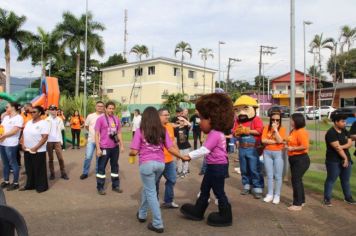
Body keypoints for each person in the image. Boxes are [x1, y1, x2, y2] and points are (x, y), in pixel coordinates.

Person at [180, 93, 234, 227]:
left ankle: (226, 215)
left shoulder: (215, 134)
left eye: (201, 119)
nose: (199, 122)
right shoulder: (216, 132)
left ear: (210, 118)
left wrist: (189, 156)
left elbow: (205, 149)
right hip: (213, 166)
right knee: (204, 188)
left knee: (218, 191)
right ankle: (198, 210)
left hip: (217, 167)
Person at [130, 106, 184, 233]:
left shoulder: (140, 131)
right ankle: (142, 214)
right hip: (160, 164)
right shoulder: (162, 130)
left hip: (147, 165)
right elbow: (170, 149)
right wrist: (182, 157)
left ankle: (158, 223)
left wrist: (131, 154)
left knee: (151, 193)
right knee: (148, 189)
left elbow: (134, 151)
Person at [232, 95, 264, 199]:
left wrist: (247, 130)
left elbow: (259, 131)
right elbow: (234, 132)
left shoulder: (256, 119)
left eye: (245, 109)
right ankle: (246, 185)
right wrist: (237, 132)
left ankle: (257, 186)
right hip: (242, 148)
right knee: (244, 168)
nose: (241, 112)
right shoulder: (237, 121)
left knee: (254, 168)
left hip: (253, 148)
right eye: (238, 110)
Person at [324, 113, 356, 206]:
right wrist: (345, 158)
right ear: (336, 122)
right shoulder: (331, 133)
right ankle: (327, 198)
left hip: (347, 159)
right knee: (331, 179)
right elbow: (337, 149)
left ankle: (348, 197)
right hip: (333, 160)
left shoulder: (345, 131)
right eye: (342, 121)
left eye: (345, 121)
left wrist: (341, 147)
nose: (345, 123)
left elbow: (350, 143)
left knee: (345, 180)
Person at [95, 101, 124, 195]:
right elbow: (96, 134)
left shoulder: (116, 119)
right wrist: (98, 148)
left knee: (115, 166)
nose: (111, 110)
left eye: (112, 108)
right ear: (105, 109)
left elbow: (119, 133)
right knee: (101, 167)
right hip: (104, 147)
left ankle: (115, 186)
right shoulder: (100, 119)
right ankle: (100, 187)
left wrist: (122, 145)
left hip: (115, 147)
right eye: (109, 108)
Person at [21, 106, 50, 193]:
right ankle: (30, 185)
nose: (32, 113)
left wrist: (35, 148)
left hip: (38, 150)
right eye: (31, 112)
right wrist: (22, 144)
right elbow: (23, 134)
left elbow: (45, 137)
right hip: (27, 150)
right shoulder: (29, 122)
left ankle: (41, 187)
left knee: (39, 169)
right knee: (29, 169)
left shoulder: (44, 123)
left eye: (34, 112)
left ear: (40, 113)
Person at [286, 113, 310, 211]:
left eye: (291, 119)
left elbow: (305, 145)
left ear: (297, 121)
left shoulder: (301, 131)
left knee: (295, 180)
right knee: (298, 180)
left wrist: (292, 148)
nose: (290, 121)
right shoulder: (293, 131)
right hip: (294, 158)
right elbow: (289, 140)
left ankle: (297, 204)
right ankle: (301, 200)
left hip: (301, 159)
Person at [261, 111, 286, 204]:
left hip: (278, 153)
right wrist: (275, 142)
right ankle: (270, 194)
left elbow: (280, 140)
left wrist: (275, 130)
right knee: (269, 175)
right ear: (270, 120)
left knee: (278, 176)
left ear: (280, 120)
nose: (275, 121)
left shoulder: (282, 129)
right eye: (273, 119)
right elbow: (263, 140)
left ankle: (277, 195)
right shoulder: (266, 128)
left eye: (277, 120)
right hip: (267, 153)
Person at [156, 108, 179, 208]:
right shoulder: (154, 128)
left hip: (169, 160)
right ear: (159, 116)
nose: (168, 117)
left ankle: (168, 201)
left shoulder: (169, 126)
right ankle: (154, 201)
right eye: (165, 115)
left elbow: (173, 141)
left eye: (168, 115)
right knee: (155, 182)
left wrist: (177, 152)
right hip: (158, 160)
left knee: (172, 179)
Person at [0, 102, 24, 191]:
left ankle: (15, 183)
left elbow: (14, 131)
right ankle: (6, 181)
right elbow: (2, 126)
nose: (5, 108)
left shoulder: (19, 118)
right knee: (5, 163)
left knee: (13, 163)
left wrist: (4, 136)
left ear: (13, 108)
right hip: (2, 143)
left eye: (7, 107)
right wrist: (6, 112)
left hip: (11, 144)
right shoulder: (6, 117)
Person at [80, 101, 104, 180]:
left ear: (103, 107)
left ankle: (98, 173)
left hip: (101, 141)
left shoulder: (105, 116)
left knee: (99, 157)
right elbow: (86, 126)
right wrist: (92, 132)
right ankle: (85, 172)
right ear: (95, 107)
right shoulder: (90, 116)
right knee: (88, 156)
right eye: (98, 106)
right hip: (91, 140)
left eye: (101, 106)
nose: (100, 108)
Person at [46, 105, 69, 180]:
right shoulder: (46, 120)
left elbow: (62, 129)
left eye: (55, 110)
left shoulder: (59, 119)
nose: (53, 111)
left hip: (57, 141)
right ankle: (52, 173)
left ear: (57, 111)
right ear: (49, 111)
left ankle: (63, 173)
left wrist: (61, 140)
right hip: (49, 141)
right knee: (50, 159)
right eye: (52, 110)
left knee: (60, 158)